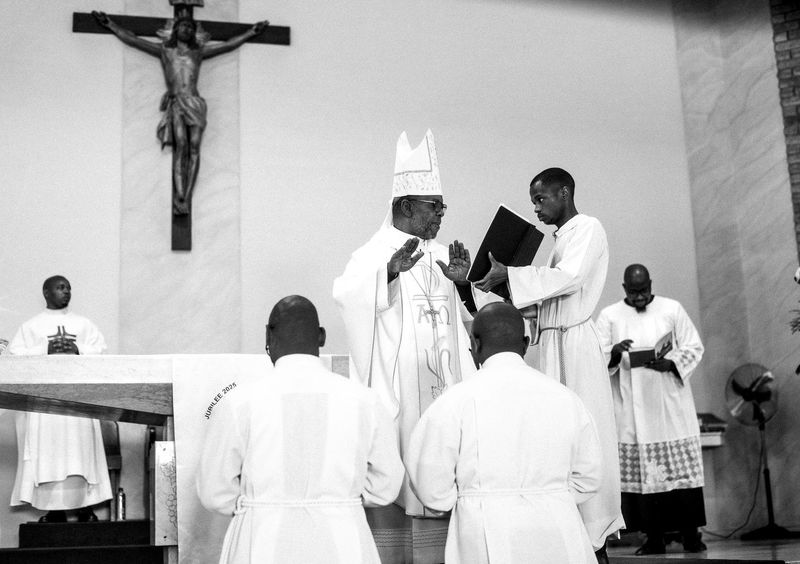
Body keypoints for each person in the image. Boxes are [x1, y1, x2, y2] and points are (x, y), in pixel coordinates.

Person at [333, 129, 477, 563]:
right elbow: (346, 295)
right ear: (406, 206)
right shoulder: (372, 254)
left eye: (443, 207)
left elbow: (474, 324)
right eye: (435, 207)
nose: (441, 216)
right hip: (402, 396)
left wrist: (464, 284)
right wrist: (389, 274)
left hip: (446, 388)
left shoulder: (443, 255)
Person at [474, 167, 624, 562]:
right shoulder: (561, 241)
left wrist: (513, 275)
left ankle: (597, 537)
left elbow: (569, 278)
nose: (537, 209)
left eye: (541, 199)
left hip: (576, 344)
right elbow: (546, 298)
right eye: (533, 202)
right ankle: (570, 535)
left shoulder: (588, 228)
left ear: (565, 192)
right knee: (558, 438)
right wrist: (496, 283)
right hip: (553, 342)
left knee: (587, 433)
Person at [196, 295, 404, 563]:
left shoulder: (240, 403)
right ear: (321, 336)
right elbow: (386, 485)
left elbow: (215, 492)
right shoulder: (365, 401)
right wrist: (340, 500)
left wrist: (261, 503)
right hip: (344, 539)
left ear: (268, 336)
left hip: (261, 539)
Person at [405, 302, 602, 563]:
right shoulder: (567, 399)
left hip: (484, 528)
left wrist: (469, 500)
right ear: (526, 343)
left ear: (474, 344)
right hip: (559, 527)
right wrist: (551, 496)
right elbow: (589, 477)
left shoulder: (454, 402)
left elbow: (431, 486)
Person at [92, 11, 269, 215]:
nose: (187, 29)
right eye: (184, 26)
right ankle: (180, 193)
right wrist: (110, 25)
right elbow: (134, 40)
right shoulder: (165, 51)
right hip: (177, 103)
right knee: (181, 145)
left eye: (191, 27)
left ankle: (187, 194)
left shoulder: (198, 52)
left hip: (195, 103)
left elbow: (228, 45)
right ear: (175, 29)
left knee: (194, 148)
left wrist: (251, 32)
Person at [596, 264, 706, 554]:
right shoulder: (609, 316)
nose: (639, 297)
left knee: (681, 478)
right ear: (624, 289)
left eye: (643, 290)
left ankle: (691, 536)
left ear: (651, 285)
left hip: (670, 407)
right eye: (634, 292)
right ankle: (653, 538)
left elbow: (694, 346)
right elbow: (596, 355)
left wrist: (671, 363)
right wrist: (615, 352)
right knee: (644, 480)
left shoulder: (672, 309)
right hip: (632, 410)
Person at [7, 275, 111, 522]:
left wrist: (78, 350)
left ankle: (85, 507)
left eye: (69, 288)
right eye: (61, 287)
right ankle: (54, 510)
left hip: (78, 403)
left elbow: (101, 353)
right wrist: (45, 349)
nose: (67, 292)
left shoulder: (84, 324)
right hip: (45, 407)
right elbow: (14, 358)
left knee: (81, 456)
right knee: (49, 457)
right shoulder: (31, 326)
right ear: (46, 292)